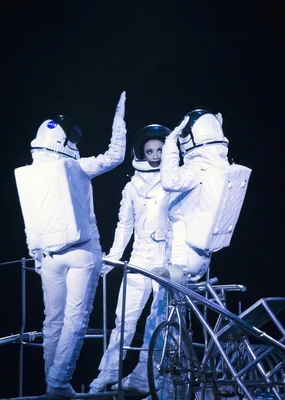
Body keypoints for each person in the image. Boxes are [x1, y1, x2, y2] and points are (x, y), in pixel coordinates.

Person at [111, 109, 252, 395]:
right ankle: (147, 379)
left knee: (163, 322)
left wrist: (173, 141)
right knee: (166, 321)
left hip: (180, 258)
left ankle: (165, 389)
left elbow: (169, 181)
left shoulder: (196, 169)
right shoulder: (222, 167)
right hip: (199, 257)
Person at [14, 91, 127, 399]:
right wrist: (119, 120)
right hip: (81, 252)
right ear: (66, 142)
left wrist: (36, 255)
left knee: (53, 321)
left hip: (47, 255)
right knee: (74, 321)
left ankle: (54, 384)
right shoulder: (77, 167)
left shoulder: (30, 173)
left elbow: (30, 218)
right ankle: (58, 383)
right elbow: (115, 156)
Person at [87, 124, 172, 394]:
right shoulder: (132, 187)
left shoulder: (176, 181)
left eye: (160, 150)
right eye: (150, 151)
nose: (155, 156)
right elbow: (124, 225)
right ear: (141, 153)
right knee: (124, 318)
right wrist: (113, 257)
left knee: (158, 322)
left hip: (165, 260)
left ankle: (147, 376)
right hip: (139, 257)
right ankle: (107, 373)